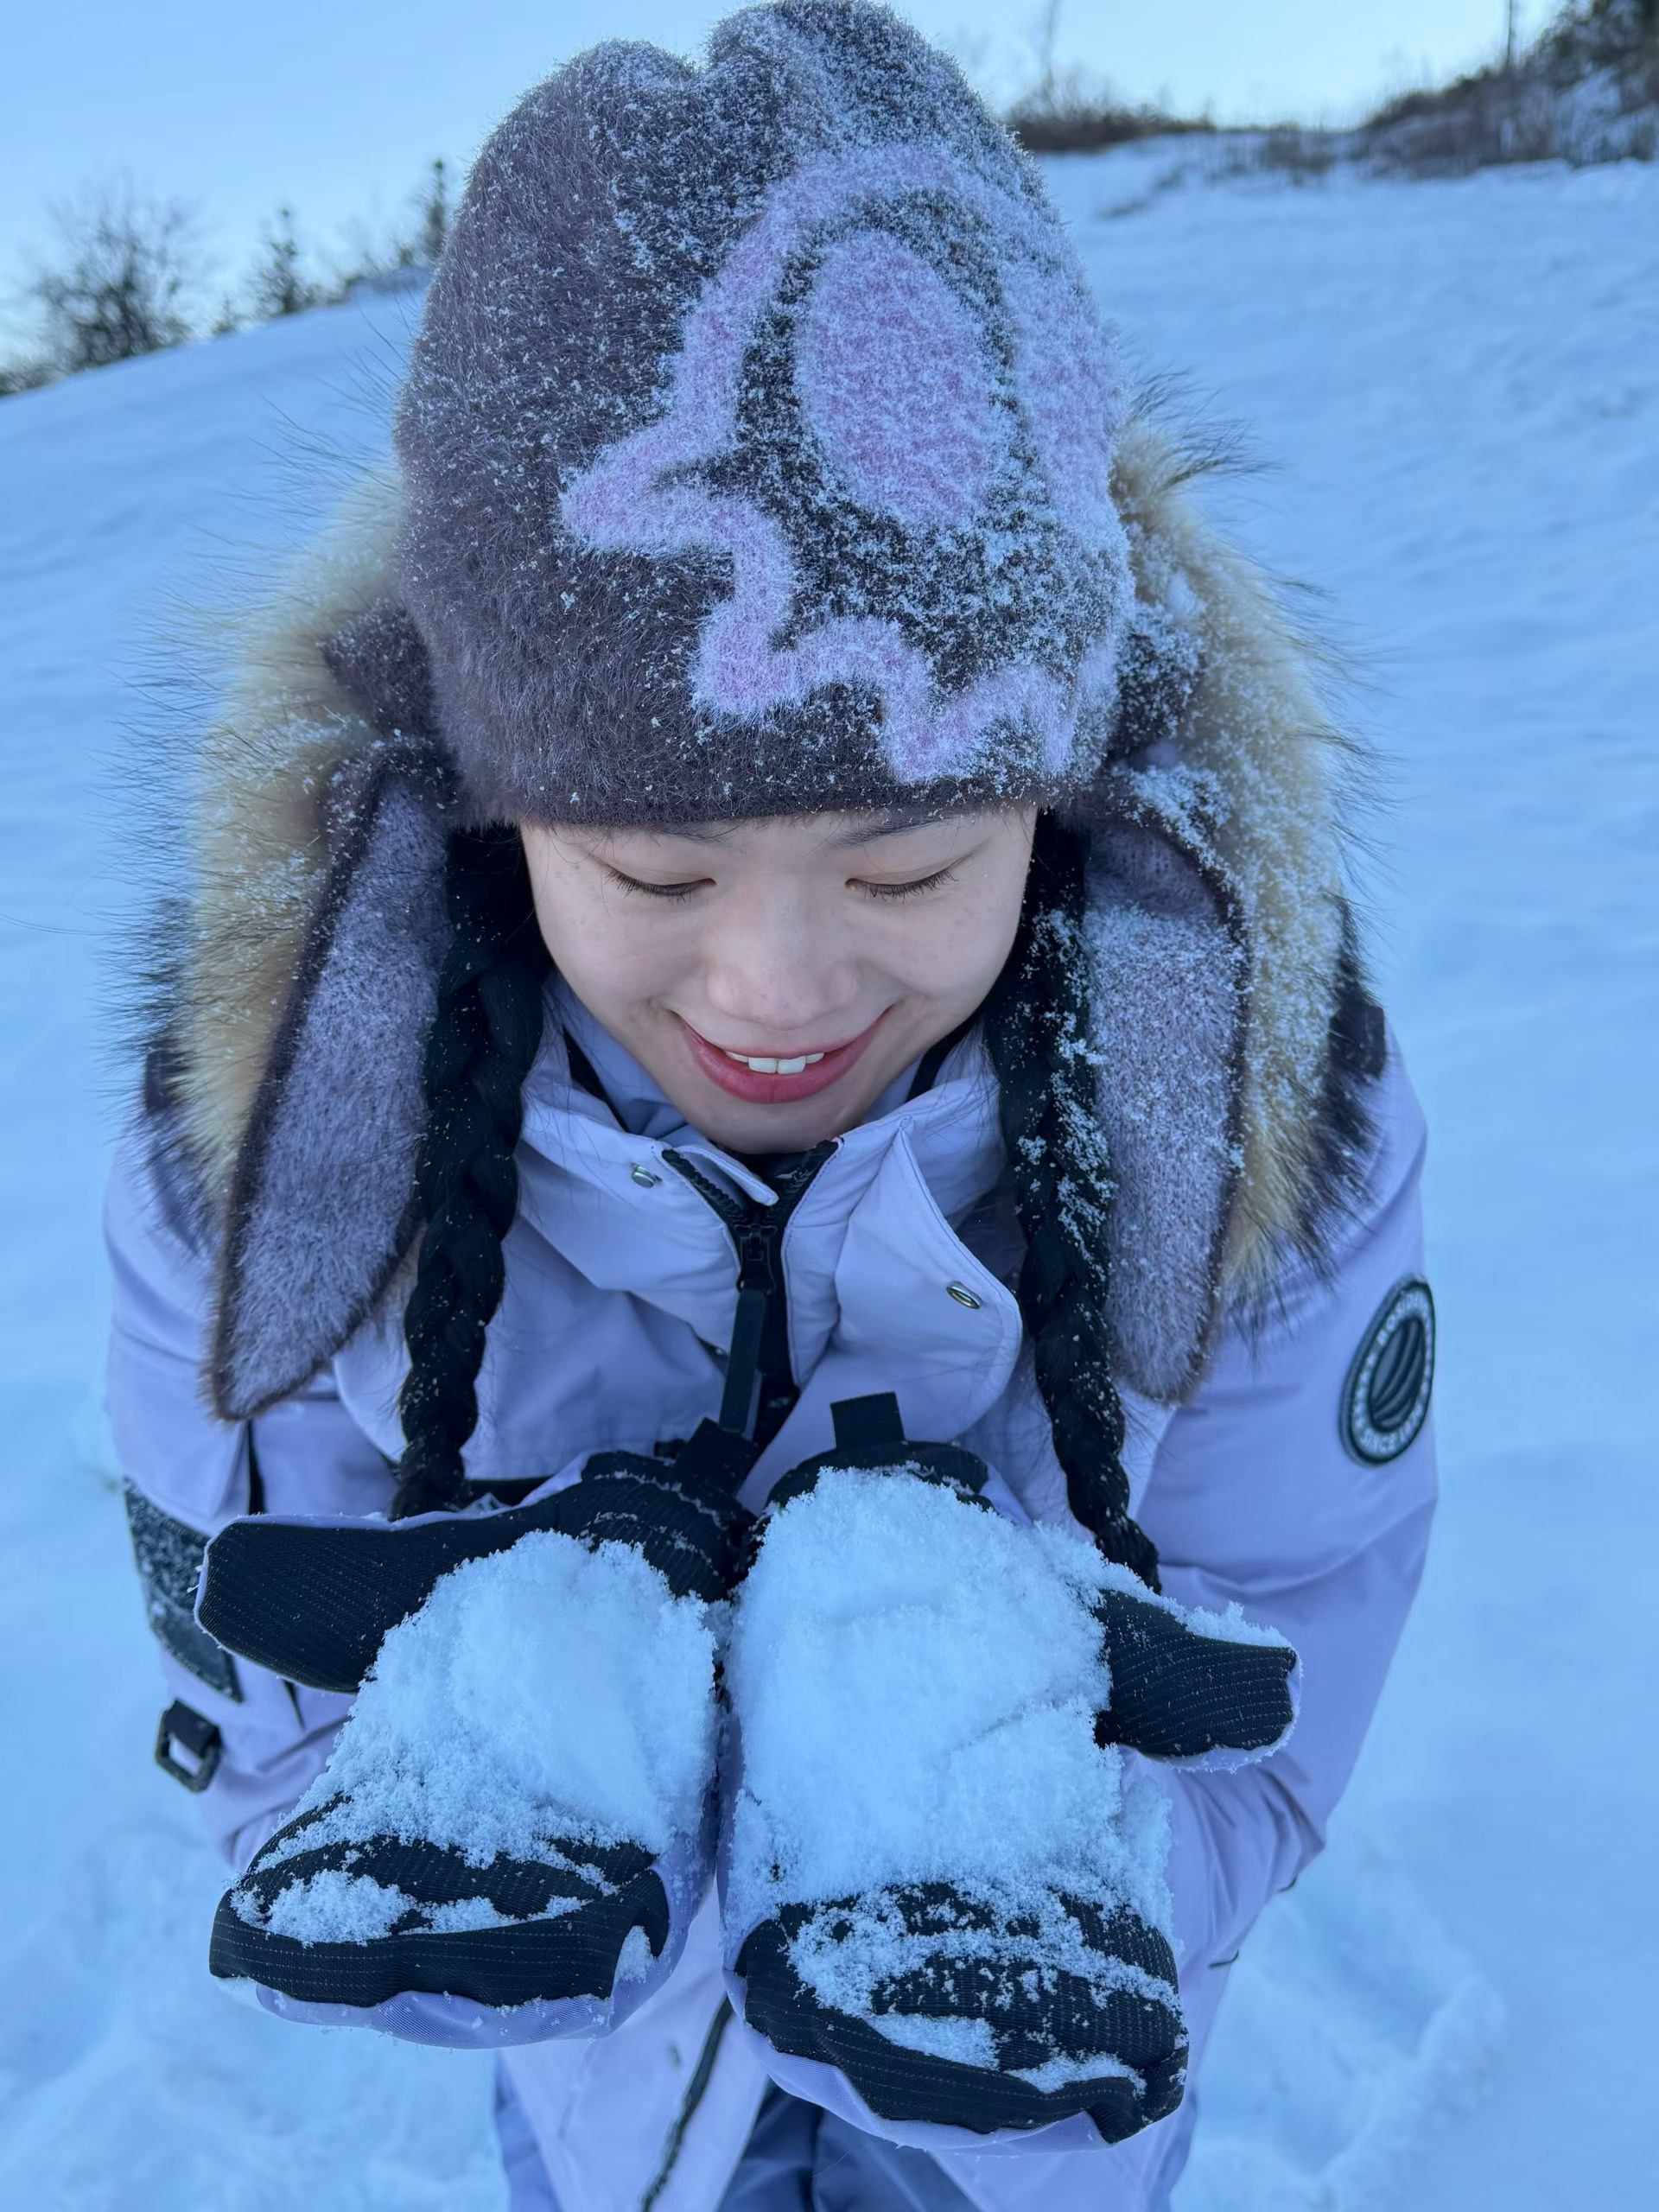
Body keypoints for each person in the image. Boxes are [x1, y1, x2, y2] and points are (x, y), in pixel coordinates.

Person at [105, 6, 1438, 2208]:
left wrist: (1047, 1849)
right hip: (613, 2124)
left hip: (1031, 2132)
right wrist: (499, 1768)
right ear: (493, 806)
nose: (781, 989)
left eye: (913, 867)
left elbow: (1300, 1613)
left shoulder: (1259, 1119)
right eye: (654, 872)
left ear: (1059, 791)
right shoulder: (273, 1150)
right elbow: (263, 1704)